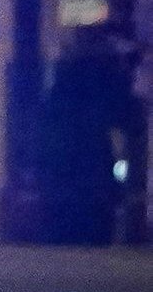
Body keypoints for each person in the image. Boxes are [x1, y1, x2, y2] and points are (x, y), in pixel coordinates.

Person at [34, 23, 141, 245]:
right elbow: (130, 119)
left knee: (65, 237)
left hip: (66, 173)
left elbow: (48, 124)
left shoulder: (64, 80)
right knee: (94, 234)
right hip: (92, 170)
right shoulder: (104, 78)